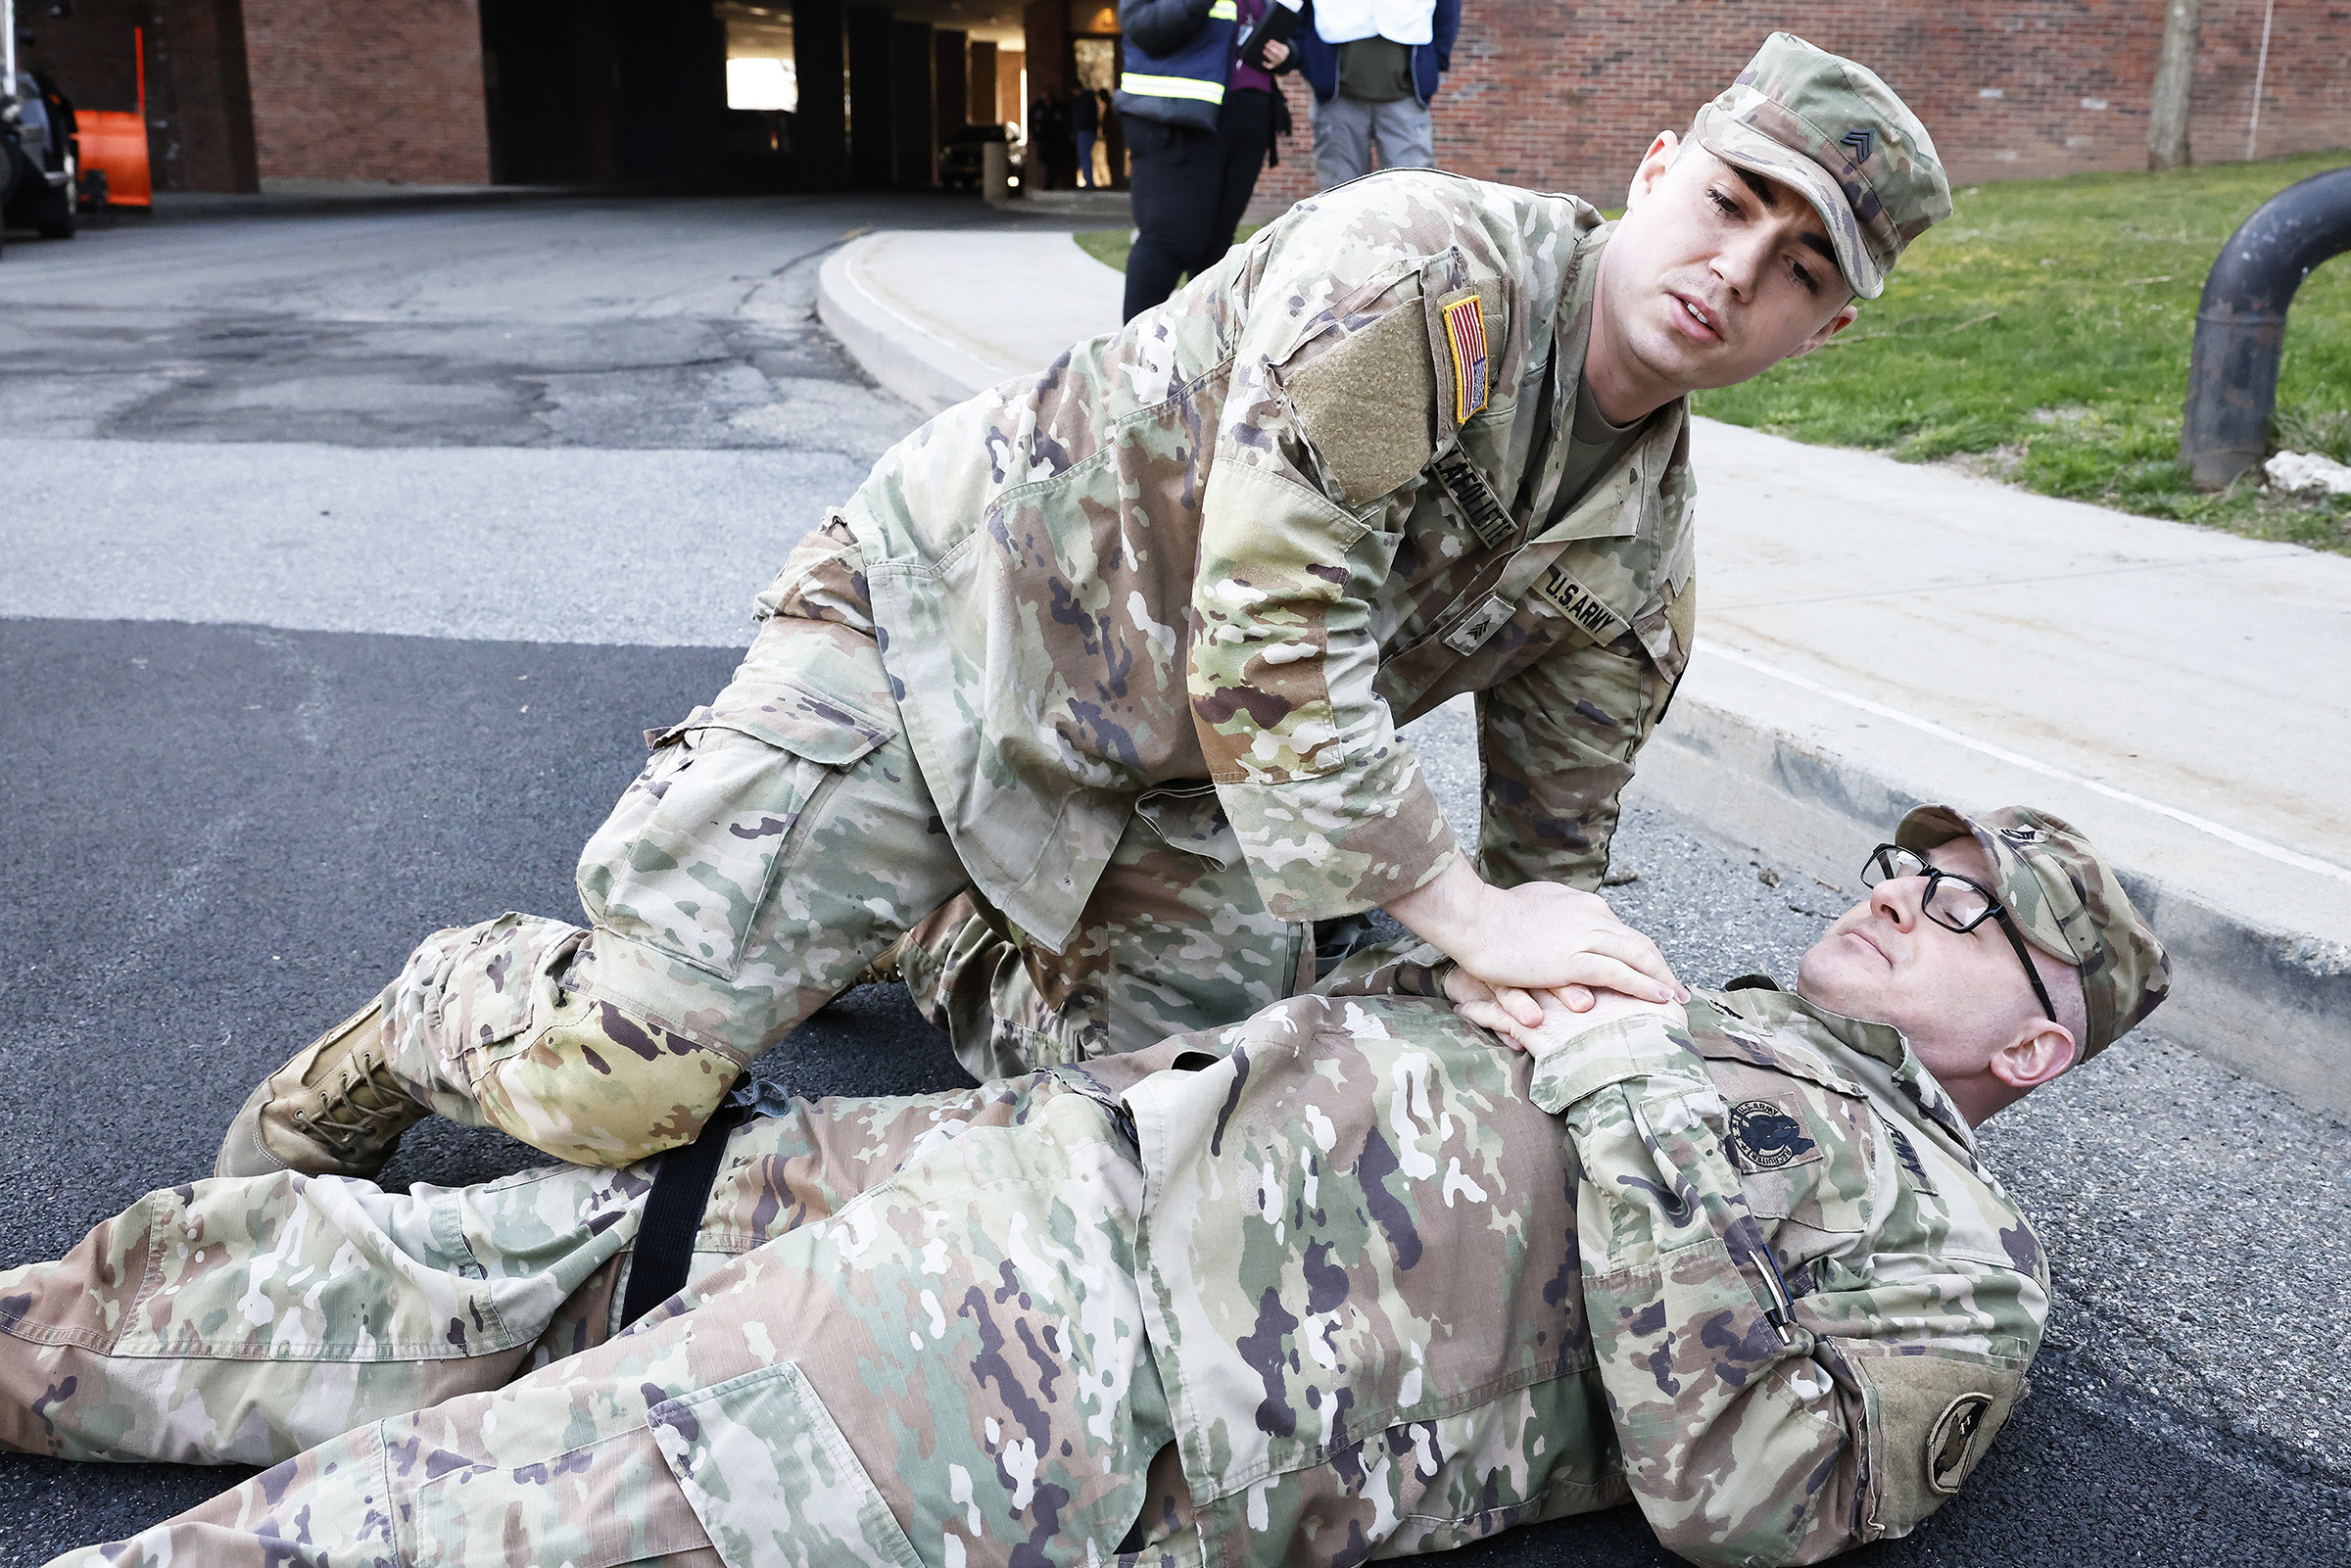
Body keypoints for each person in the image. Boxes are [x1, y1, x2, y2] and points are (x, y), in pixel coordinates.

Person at [209, 33, 1955, 1196]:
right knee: (624, 1085)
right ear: (1658, 168)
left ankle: (943, 926)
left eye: (1805, 270)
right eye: (1735, 203)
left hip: (1183, 785)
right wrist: (1451, 910)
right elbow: (1271, 635)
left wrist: (1570, 992)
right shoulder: (1427, 274)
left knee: (1159, 1151)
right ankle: (419, 1020)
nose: (1739, 271)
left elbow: (1553, 867)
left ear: (1832, 332)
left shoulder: (1638, 567)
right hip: (942, 635)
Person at [0, 804, 2172, 1565]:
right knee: (407, 1266)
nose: (1902, 891)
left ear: (2036, 1044)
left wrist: (1623, 1087)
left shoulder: (1957, 1256)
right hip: (1032, 1157)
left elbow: (1756, 1491)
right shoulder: (1702, 991)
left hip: (1095, 1364)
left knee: (453, 1507)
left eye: (1967, 907)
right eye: (1906, 859)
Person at [1113, 0, 1297, 319]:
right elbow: (1145, 29)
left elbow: (1294, 33)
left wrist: (1289, 53)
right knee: (1170, 239)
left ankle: (1203, 357)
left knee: (1217, 245)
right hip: (1178, 116)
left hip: (1248, 116)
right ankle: (1132, 358)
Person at [1293, 0, 1458, 188]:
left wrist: (1434, 62)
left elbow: (1447, 12)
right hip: (1339, 99)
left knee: (1413, 192)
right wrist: (1312, 64)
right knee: (1338, 195)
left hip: (1405, 97)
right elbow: (1299, 14)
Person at [1073, 78, 1102, 187]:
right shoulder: (1088, 99)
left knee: (1084, 156)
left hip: (1085, 131)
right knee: (1085, 156)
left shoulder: (1084, 100)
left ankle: (1089, 182)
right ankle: (1088, 181)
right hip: (1089, 130)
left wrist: (1077, 127)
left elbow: (1082, 117)